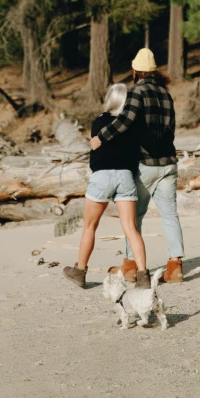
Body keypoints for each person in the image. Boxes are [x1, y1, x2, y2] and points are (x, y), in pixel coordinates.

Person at [90, 48, 184, 284]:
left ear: (135, 71)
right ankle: (175, 266)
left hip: (145, 165)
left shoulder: (137, 92)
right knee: (170, 216)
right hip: (169, 163)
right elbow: (170, 129)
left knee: (134, 218)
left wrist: (101, 136)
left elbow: (125, 121)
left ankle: (131, 266)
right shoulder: (166, 94)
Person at [63, 83, 151, 289]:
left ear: (110, 99)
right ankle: (143, 275)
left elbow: (97, 147)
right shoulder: (134, 124)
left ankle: (80, 271)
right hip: (126, 176)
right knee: (131, 228)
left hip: (102, 175)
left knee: (90, 226)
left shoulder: (99, 121)